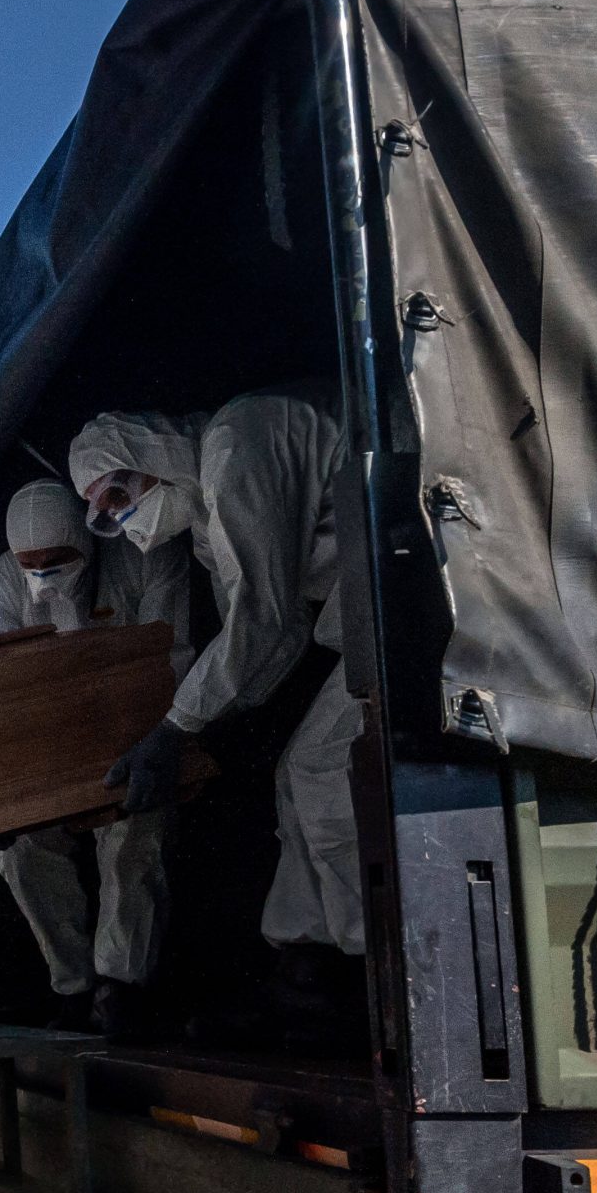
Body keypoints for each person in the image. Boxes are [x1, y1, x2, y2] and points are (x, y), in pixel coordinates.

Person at [72, 382, 362, 1043]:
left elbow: (261, 618)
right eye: (103, 512)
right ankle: (308, 973)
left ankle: (366, 977)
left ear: (149, 451)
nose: (121, 518)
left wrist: (180, 728)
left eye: (119, 493)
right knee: (300, 776)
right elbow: (278, 635)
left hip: (415, 589)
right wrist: (210, 727)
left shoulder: (236, 443)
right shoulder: (206, 517)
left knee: (319, 774)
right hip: (367, 616)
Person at [0, 479, 192, 1038]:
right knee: (21, 854)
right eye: (31, 564)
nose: (42, 574)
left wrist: (149, 737)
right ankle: (73, 987)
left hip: (136, 734)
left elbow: (173, 656)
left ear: (87, 543)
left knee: (133, 838)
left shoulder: (144, 557)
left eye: (57, 561)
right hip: (39, 752)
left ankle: (122, 988)